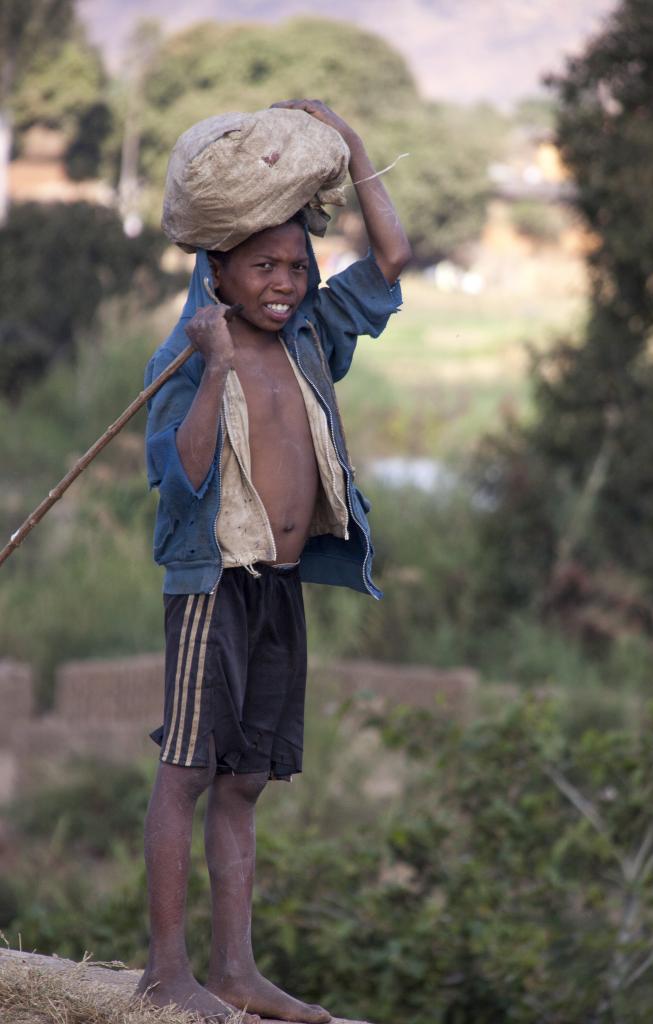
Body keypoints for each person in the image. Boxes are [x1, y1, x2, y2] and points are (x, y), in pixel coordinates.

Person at [137, 98, 411, 1023]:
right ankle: (165, 974)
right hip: (214, 586)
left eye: (296, 264)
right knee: (187, 769)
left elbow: (391, 261)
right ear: (218, 270)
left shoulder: (307, 337)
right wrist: (211, 365)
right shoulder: (184, 358)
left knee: (247, 777)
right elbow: (183, 476)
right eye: (263, 266)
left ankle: (235, 971)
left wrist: (351, 139)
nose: (284, 281)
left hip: (280, 587)